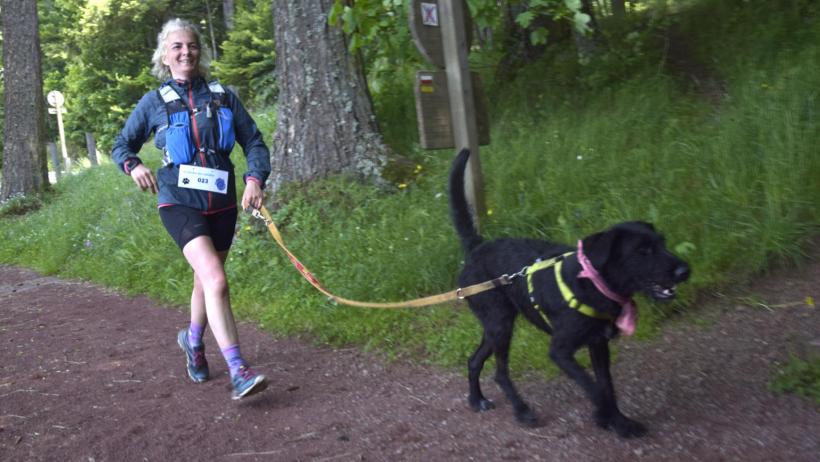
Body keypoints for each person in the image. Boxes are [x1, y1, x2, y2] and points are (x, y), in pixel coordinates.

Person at [112, 18, 271, 400]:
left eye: (192, 45)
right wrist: (133, 166)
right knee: (216, 280)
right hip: (178, 201)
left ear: (200, 51)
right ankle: (238, 369)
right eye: (177, 47)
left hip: (222, 201)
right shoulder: (153, 102)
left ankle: (193, 340)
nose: (186, 52)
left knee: (205, 279)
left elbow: (254, 142)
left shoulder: (223, 96)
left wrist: (254, 179)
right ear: (165, 56)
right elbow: (121, 145)